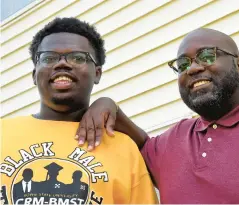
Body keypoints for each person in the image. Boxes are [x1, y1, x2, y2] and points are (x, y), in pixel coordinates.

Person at [75, 28, 239, 203]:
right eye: (182, 65)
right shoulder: (176, 139)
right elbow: (142, 144)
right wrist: (108, 105)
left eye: (207, 56)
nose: (193, 68)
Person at [0, 17, 158, 205]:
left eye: (77, 57)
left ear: (97, 73)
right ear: (35, 74)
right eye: (49, 58)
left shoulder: (124, 148)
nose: (62, 64)